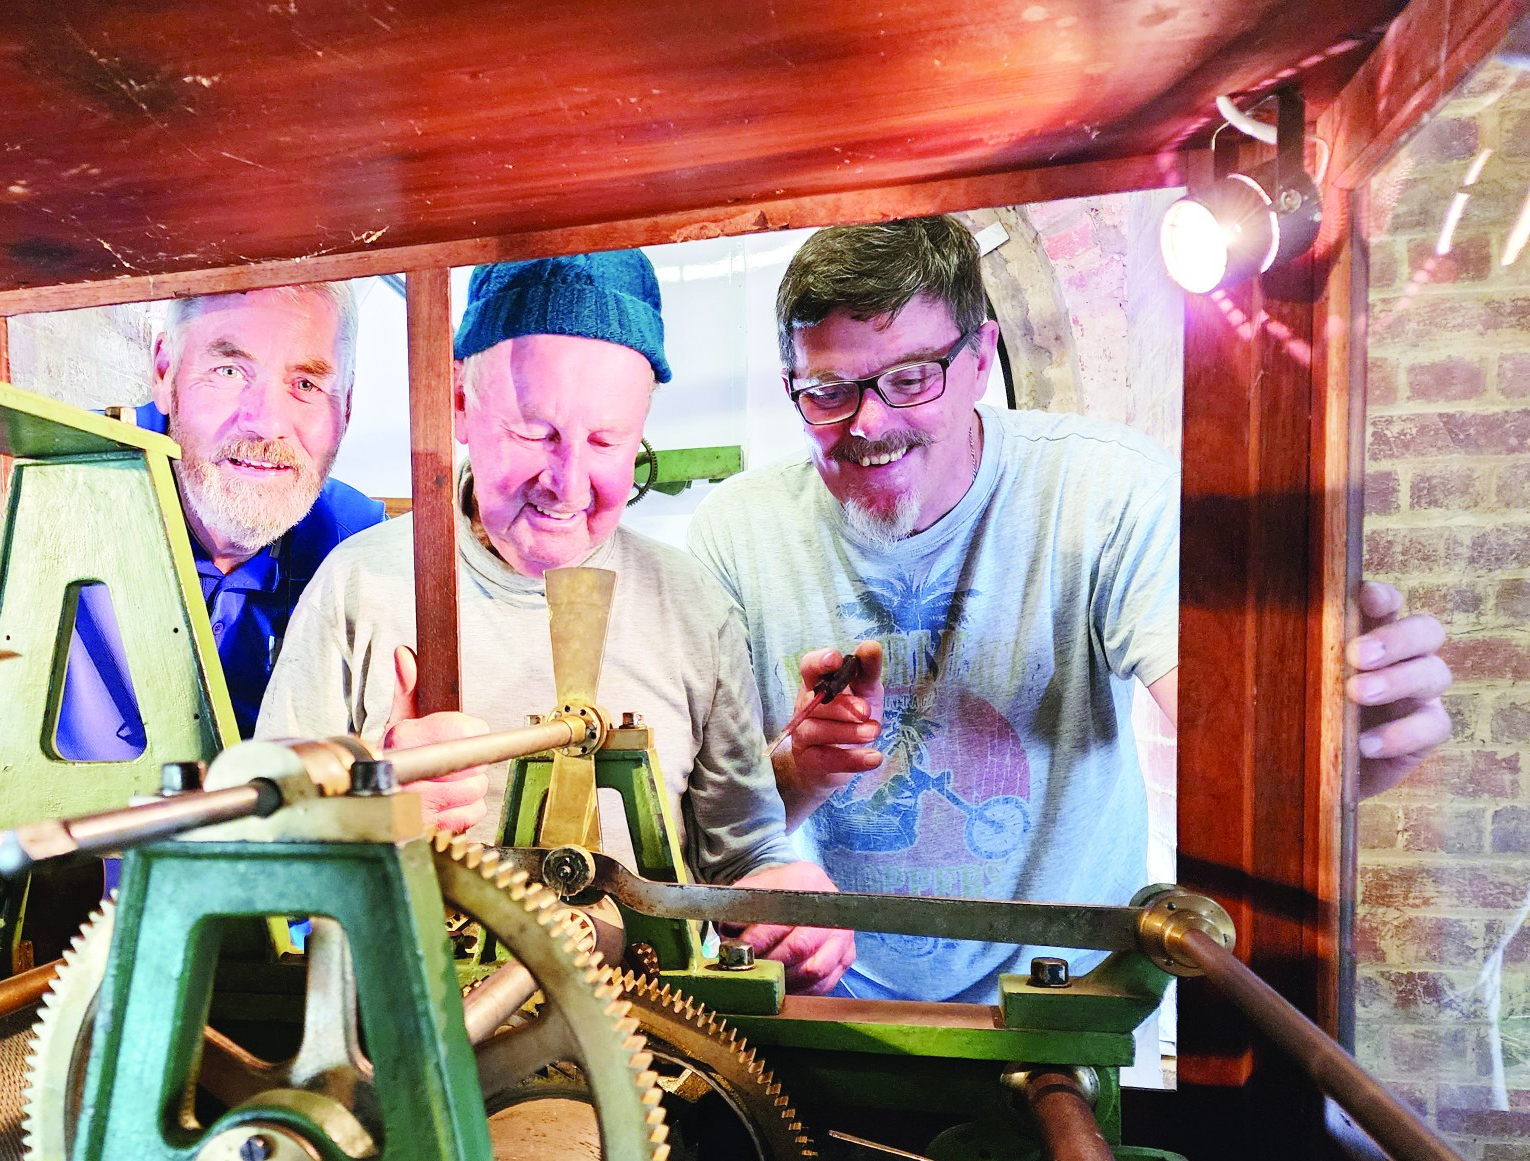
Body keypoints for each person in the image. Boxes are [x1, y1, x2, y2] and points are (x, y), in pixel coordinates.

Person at [689, 216, 1453, 1004]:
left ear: (980, 358)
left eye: (912, 378)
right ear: (793, 389)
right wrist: (796, 774)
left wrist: (1314, 757)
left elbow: (1228, 732)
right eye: (829, 391)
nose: (869, 423)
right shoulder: (735, 532)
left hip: (1071, 1003)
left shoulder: (1105, 493)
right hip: (826, 1002)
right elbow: (716, 811)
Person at [258, 252, 853, 993]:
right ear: (460, 406)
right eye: (537, 433)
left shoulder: (695, 609)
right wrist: (360, 819)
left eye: (606, 442)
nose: (568, 484)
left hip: (647, 1050)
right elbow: (260, 847)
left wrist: (786, 902)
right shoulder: (361, 588)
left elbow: (739, 853)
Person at [0, 282, 384, 788]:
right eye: (229, 371)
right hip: (34, 902)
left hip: (267, 904)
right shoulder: (15, 483)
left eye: (307, 384)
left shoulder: (356, 544)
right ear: (164, 372)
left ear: (348, 406)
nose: (266, 422)